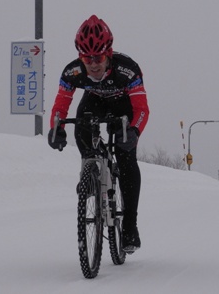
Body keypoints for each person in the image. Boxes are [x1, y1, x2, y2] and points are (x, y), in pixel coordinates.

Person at [48, 14, 149, 253]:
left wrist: (134, 131)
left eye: (98, 58)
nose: (93, 64)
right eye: (86, 58)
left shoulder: (128, 70)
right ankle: (91, 172)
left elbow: (142, 109)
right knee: (81, 124)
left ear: (109, 54)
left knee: (126, 158)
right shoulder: (72, 72)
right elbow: (61, 105)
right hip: (94, 101)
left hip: (123, 105)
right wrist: (56, 128)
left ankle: (129, 226)